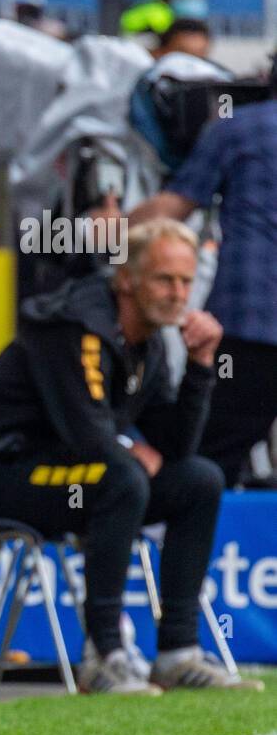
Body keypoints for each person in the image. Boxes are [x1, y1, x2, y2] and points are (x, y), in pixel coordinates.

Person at [0, 220, 260, 694]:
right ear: (126, 278)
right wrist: (131, 452)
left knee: (200, 479)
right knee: (122, 477)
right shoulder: (78, 326)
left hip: (71, 473)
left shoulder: (147, 341)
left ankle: (177, 652)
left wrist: (200, 368)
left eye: (186, 282)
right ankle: (104, 655)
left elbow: (175, 448)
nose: (178, 294)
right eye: (164, 279)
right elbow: (90, 437)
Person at [130, 59, 277, 486]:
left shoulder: (238, 129)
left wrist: (98, 229)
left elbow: (172, 209)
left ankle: (193, 545)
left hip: (251, 323)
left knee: (206, 461)